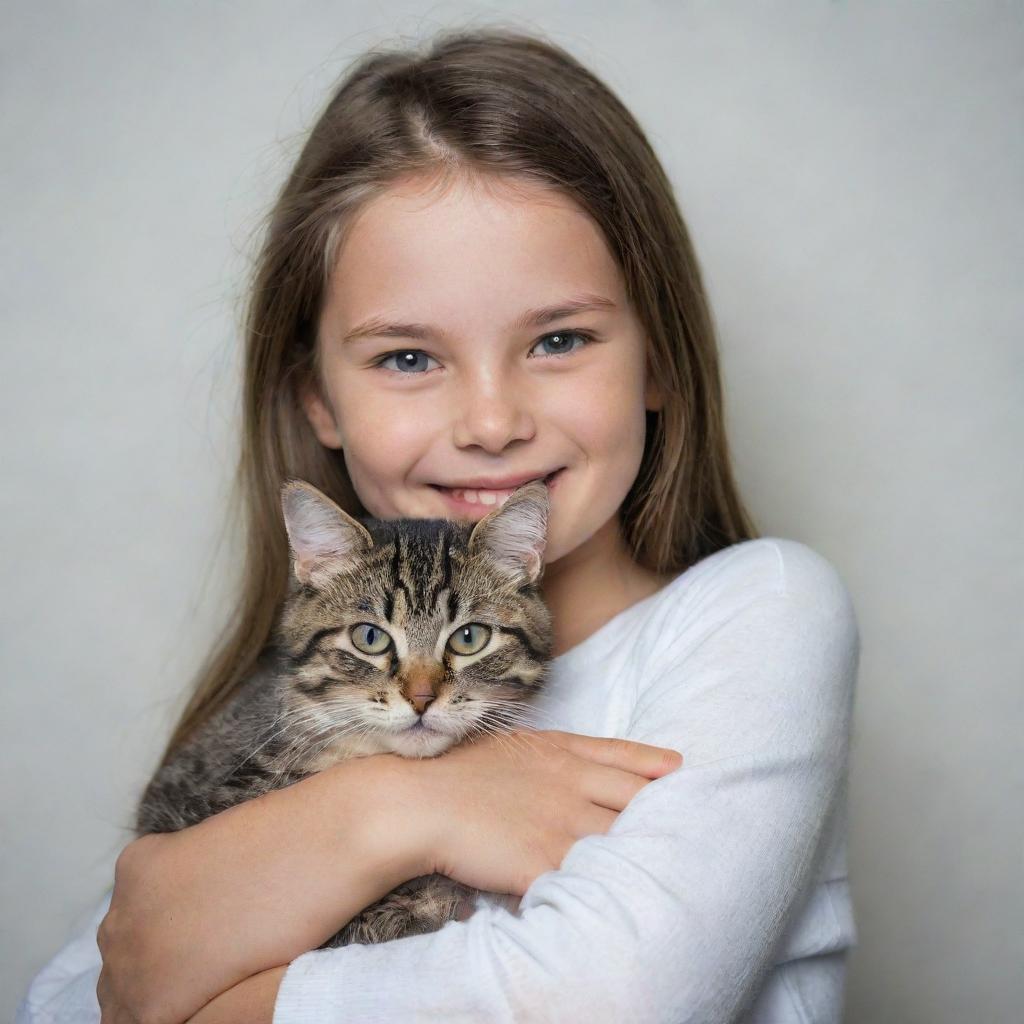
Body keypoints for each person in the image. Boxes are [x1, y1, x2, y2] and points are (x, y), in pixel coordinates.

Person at [17, 26, 859, 1024]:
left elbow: (606, 1000)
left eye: (558, 338)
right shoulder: (292, 709)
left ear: (659, 362)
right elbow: (66, 1001)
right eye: (409, 358)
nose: (492, 423)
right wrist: (404, 806)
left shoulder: (753, 611)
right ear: (317, 402)